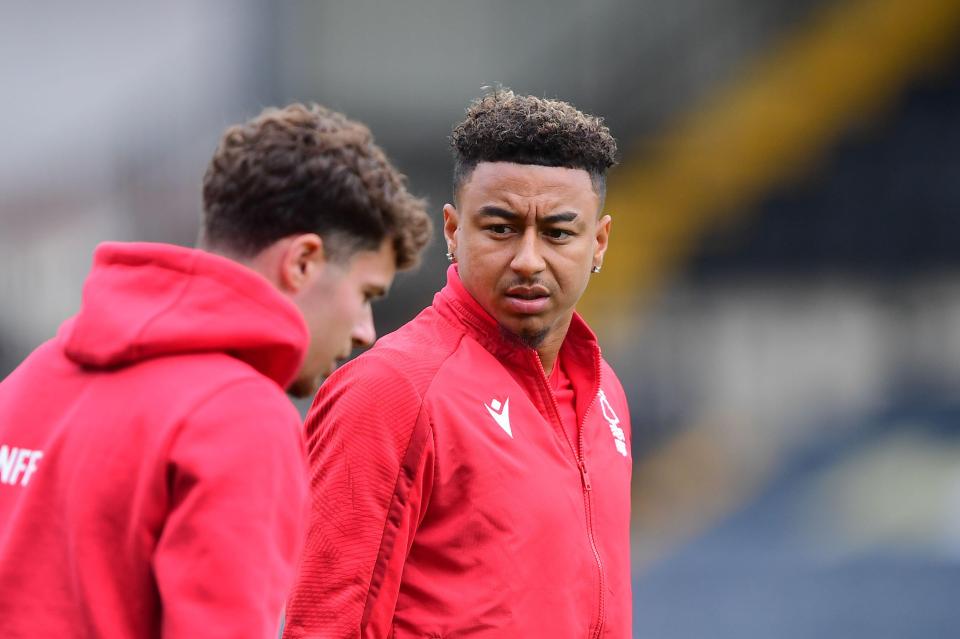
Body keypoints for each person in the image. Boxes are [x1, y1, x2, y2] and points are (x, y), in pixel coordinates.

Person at [0, 103, 431, 638]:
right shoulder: (241, 418)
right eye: (365, 294)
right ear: (302, 263)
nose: (366, 330)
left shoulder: (29, 380)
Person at [284, 89, 632, 638]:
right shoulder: (390, 390)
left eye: (558, 233)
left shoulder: (605, 394)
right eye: (500, 228)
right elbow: (324, 624)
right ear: (453, 230)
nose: (527, 259)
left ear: (600, 242)